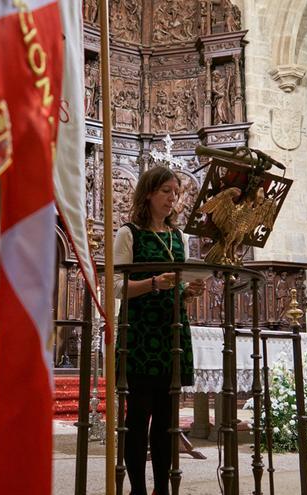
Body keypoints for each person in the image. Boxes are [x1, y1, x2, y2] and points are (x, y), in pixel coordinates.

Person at [113, 166, 205, 495]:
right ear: (149, 193)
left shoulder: (178, 237)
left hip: (171, 335)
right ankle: (138, 489)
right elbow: (115, 287)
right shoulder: (129, 233)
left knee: (167, 423)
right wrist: (154, 283)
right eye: (166, 190)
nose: (172, 197)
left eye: (176, 192)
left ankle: (161, 490)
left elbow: (176, 286)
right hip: (138, 335)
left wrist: (187, 292)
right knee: (138, 418)